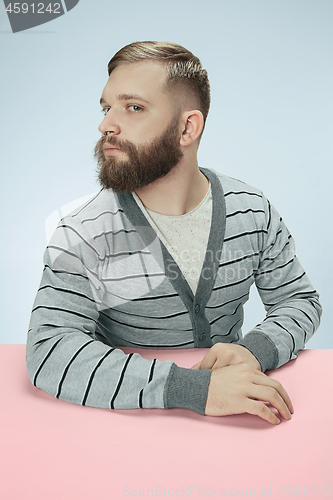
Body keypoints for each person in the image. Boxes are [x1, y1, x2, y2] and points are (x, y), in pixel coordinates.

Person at [26, 41, 322, 426]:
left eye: (133, 107)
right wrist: (191, 389)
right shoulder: (83, 232)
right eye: (106, 108)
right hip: (123, 428)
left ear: (187, 127)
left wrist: (254, 352)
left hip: (238, 424)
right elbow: (50, 350)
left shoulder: (253, 210)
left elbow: (298, 300)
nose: (105, 125)